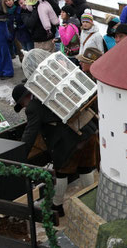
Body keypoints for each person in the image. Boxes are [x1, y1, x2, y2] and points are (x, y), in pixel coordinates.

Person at [12, 84, 98, 217]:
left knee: (61, 173)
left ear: (25, 98)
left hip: (70, 143)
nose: (24, 107)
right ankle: (93, 202)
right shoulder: (50, 90)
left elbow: (30, 133)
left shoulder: (33, 107)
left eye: (22, 104)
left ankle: (57, 206)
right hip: (88, 133)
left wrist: (20, 153)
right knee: (85, 168)